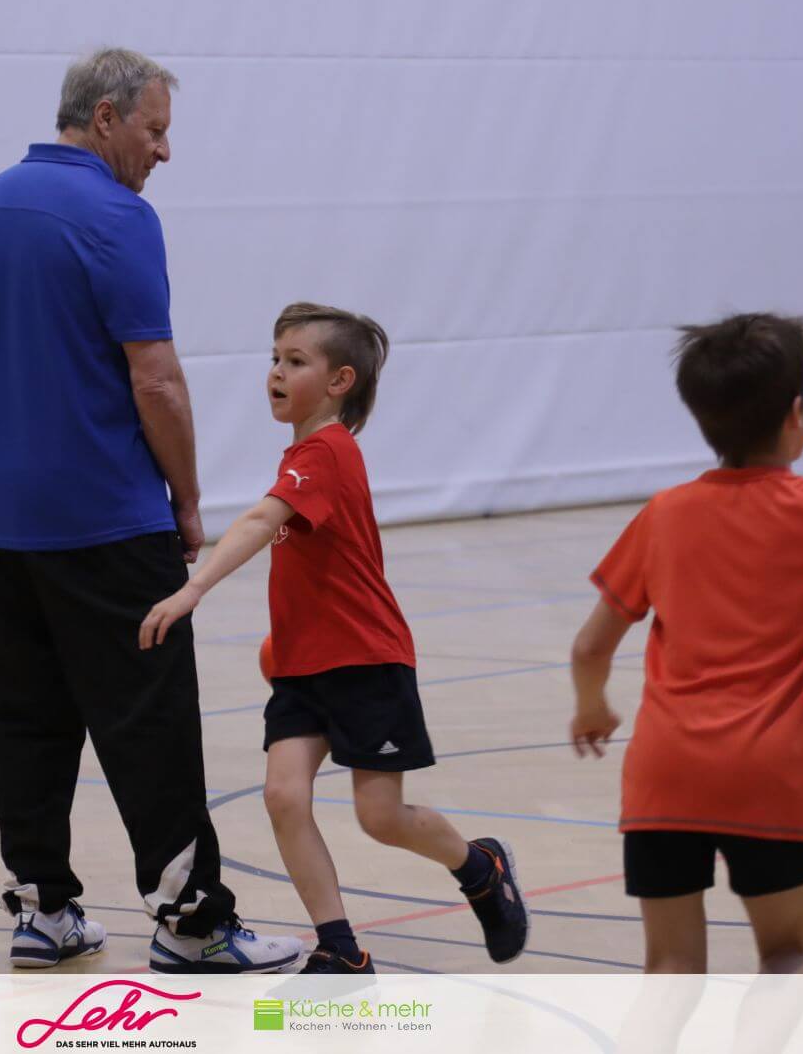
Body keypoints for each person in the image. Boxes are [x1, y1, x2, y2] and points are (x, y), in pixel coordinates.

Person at [0, 47, 300, 973]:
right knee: (149, 717)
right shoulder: (118, 216)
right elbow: (158, 382)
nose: (164, 152)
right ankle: (192, 925)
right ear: (104, 118)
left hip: (5, 520)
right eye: (156, 130)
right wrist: (186, 498)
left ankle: (43, 911)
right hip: (108, 518)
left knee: (27, 715)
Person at [140, 302, 531, 974]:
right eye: (274, 358)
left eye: (295, 361)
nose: (276, 372)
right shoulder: (301, 455)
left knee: (380, 817)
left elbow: (261, 520)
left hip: (366, 661)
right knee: (283, 796)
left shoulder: (327, 452)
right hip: (301, 668)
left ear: (339, 380)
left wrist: (193, 588)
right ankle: (341, 949)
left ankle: (480, 867)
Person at [568, 312, 803, 974]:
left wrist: (591, 707)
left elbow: (589, 649)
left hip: (664, 776)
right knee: (791, 951)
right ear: (798, 413)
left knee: (670, 971)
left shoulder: (665, 513)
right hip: (767, 779)